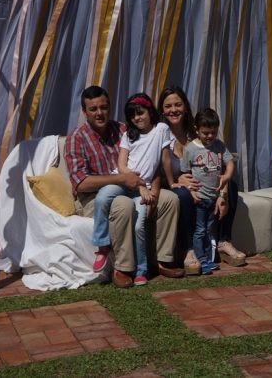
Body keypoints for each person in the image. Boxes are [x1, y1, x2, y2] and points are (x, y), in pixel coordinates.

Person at [65, 86, 184, 288]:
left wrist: (154, 191)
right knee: (123, 205)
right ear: (84, 112)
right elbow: (82, 183)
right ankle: (123, 268)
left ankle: (161, 260)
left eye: (104, 107)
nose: (100, 113)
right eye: (93, 109)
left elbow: (153, 162)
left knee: (169, 199)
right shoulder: (77, 138)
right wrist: (122, 179)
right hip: (96, 197)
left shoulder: (124, 129)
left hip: (137, 187)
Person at [157, 86, 245, 274]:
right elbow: (153, 169)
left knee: (231, 186)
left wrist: (222, 194)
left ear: (185, 107)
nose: (173, 110)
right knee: (184, 196)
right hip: (173, 185)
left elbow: (220, 164)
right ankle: (188, 250)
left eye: (178, 104)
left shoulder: (198, 131)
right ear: (162, 110)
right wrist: (177, 179)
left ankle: (223, 241)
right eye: (168, 106)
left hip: (205, 184)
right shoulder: (159, 134)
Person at [116, 93, 172, 286]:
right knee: (104, 198)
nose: (137, 118)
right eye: (132, 115)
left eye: (140, 113)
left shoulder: (161, 129)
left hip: (144, 188)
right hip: (125, 183)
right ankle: (103, 245)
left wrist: (172, 183)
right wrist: (138, 184)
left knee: (139, 225)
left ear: (150, 111)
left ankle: (141, 271)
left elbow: (165, 160)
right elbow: (121, 165)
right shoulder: (128, 135)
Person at [178, 108, 234, 274]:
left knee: (208, 230)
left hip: (214, 197)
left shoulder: (219, 145)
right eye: (205, 133)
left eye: (213, 133)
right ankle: (201, 260)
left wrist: (226, 177)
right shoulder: (190, 149)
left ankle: (208, 259)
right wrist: (191, 191)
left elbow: (230, 162)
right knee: (200, 230)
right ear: (197, 129)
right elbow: (185, 173)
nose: (210, 136)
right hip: (200, 199)